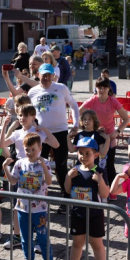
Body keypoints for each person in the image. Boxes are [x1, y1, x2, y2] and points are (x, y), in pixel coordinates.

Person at [3, 133, 56, 260]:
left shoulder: (44, 162)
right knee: (25, 238)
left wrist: (44, 166)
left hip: (40, 209)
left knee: (42, 237)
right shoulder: (20, 163)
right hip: (22, 207)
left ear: (40, 148)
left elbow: (49, 181)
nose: (30, 153)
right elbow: (13, 181)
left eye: (33, 149)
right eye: (27, 149)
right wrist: (5, 168)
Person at [64, 137, 110, 260]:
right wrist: (68, 177)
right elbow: (67, 190)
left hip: (95, 214)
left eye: (87, 153)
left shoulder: (100, 172)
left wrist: (100, 181)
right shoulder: (75, 171)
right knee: (77, 242)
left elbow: (105, 194)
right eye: (80, 153)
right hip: (78, 213)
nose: (83, 156)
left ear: (95, 155)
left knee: (96, 244)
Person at [28, 63, 80, 197]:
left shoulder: (61, 88)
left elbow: (74, 105)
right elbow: (28, 112)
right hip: (40, 133)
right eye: (43, 75)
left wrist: (76, 124)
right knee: (38, 164)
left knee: (61, 166)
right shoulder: (32, 92)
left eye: (48, 75)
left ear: (53, 75)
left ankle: (66, 196)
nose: (46, 78)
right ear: (37, 75)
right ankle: (38, 193)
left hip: (60, 131)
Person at [80, 77, 129, 187]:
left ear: (108, 89)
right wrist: (87, 127)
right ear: (96, 88)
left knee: (109, 164)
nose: (101, 90)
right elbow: (79, 112)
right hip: (95, 137)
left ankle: (111, 189)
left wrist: (117, 131)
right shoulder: (93, 99)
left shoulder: (113, 101)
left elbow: (126, 119)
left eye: (104, 88)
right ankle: (94, 187)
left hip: (109, 137)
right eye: (99, 87)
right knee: (93, 164)